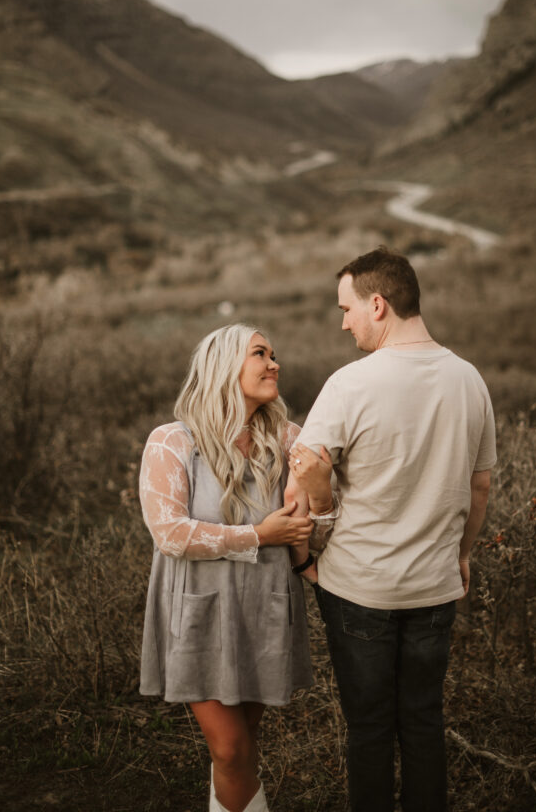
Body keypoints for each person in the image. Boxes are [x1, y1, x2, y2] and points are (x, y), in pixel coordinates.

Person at [288, 245, 495, 812]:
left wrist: (307, 556)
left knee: (370, 730)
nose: (345, 321)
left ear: (377, 304)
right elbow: (480, 487)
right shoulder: (470, 380)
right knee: (424, 723)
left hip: (359, 588)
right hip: (434, 586)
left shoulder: (350, 384)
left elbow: (304, 472)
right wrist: (462, 554)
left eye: (347, 309)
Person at [138, 323, 334, 812]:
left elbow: (314, 530)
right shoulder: (172, 442)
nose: (275, 364)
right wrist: (257, 536)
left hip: (263, 607)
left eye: (274, 355)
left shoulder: (290, 440)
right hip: (198, 611)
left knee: (240, 746)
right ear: (224, 366)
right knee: (230, 749)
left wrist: (320, 500)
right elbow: (170, 534)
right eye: (260, 354)